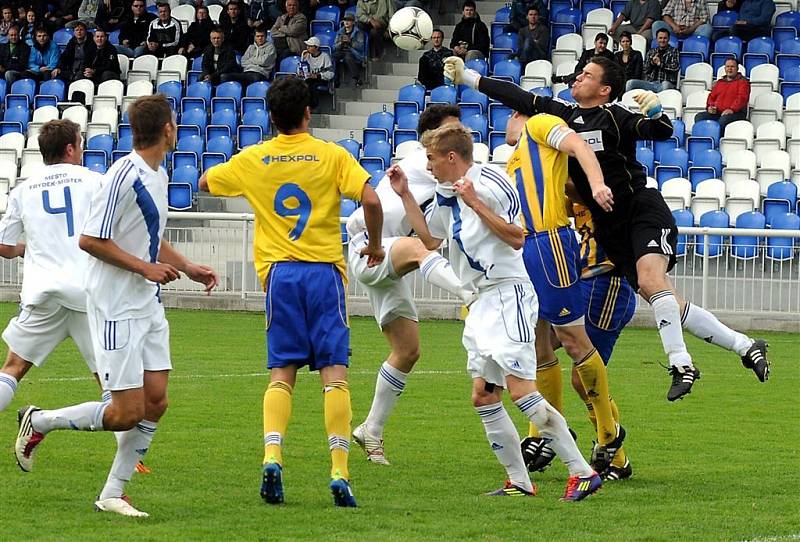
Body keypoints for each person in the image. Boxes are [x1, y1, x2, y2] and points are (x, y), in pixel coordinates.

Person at [444, 54, 771, 400]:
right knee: (669, 303)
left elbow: (657, 131)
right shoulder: (564, 117)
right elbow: (520, 97)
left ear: (604, 89)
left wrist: (658, 112)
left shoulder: (614, 116)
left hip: (640, 211)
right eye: (579, 73)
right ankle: (746, 345)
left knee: (650, 282)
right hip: (609, 230)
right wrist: (468, 78)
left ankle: (681, 363)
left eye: (586, 75)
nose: (577, 78)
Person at [14, 95, 218, 518]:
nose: (176, 127)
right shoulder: (122, 176)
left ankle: (112, 493)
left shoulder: (156, 174)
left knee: (156, 401)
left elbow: (149, 233)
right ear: (167, 129)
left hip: (146, 303)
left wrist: (188, 266)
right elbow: (90, 240)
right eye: (174, 123)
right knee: (126, 413)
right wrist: (146, 268)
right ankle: (41, 421)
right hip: (115, 305)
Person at [391, 122, 602, 501]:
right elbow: (431, 240)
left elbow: (517, 236)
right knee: (484, 395)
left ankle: (582, 472)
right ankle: (519, 482)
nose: (429, 165)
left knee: (522, 392)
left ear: (452, 157)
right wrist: (406, 196)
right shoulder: (444, 192)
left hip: (509, 296)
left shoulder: (490, 181)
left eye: (433, 158)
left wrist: (475, 203)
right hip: (481, 301)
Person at [199, 76, 384, 508]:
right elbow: (372, 201)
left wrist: (250, 173)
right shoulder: (331, 155)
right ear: (308, 113)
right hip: (323, 274)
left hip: (279, 275)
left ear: (271, 117)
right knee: (334, 374)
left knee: (281, 374)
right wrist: (374, 246)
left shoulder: (254, 158)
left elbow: (205, 182)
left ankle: (272, 456)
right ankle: (339, 469)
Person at [495, 101, 628, 478]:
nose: (506, 120)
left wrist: (599, 184)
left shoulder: (540, 124)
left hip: (549, 241)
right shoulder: (516, 158)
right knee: (536, 344)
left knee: (571, 338)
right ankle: (545, 432)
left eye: (509, 112)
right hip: (526, 248)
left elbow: (580, 146)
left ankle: (609, 432)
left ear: (519, 113)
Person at [349, 105, 472, 465]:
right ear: (427, 141)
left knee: (408, 350)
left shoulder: (434, 185)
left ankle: (371, 430)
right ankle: (471, 295)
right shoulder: (423, 162)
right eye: (452, 130)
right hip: (368, 246)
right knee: (416, 250)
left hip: (388, 251)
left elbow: (431, 241)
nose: (462, 139)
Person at [0, 120, 103, 416]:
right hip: (88, 292)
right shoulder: (95, 180)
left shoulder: (24, 189)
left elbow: (4, 247)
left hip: (42, 292)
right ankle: (132, 460)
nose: (82, 148)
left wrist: (25, 249)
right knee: (110, 381)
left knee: (12, 368)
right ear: (70, 148)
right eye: (80, 143)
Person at [694, 57, 749, 133]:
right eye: (727, 67)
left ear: (737, 68)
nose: (729, 69)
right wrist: (710, 107)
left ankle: (716, 140)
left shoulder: (743, 82)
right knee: (700, 117)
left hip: (736, 113)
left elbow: (742, 98)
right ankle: (702, 139)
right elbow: (711, 97)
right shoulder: (720, 82)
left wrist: (732, 109)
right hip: (718, 112)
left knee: (724, 120)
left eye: (732, 67)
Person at [625, 28, 678, 92]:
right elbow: (645, 70)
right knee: (630, 83)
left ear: (668, 39)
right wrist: (652, 63)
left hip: (665, 83)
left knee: (665, 85)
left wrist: (660, 64)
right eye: (660, 38)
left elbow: (675, 67)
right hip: (650, 83)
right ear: (657, 39)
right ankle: (627, 101)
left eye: (665, 38)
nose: (662, 40)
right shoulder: (651, 51)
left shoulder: (674, 51)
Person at [298, 36, 333, 109]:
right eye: (307, 46)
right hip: (309, 79)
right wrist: (301, 68)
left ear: (316, 47)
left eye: (310, 46)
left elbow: (331, 73)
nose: (307, 48)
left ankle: (312, 107)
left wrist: (318, 75)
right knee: (305, 84)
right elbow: (300, 69)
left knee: (313, 86)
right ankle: (304, 106)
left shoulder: (325, 56)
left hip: (322, 79)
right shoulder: (306, 56)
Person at [333, 12, 365, 87]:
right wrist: (340, 43)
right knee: (333, 56)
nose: (346, 22)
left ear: (353, 22)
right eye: (345, 20)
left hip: (354, 52)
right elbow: (334, 46)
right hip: (342, 51)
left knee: (348, 57)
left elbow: (360, 47)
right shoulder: (340, 32)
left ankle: (356, 78)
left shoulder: (358, 32)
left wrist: (350, 41)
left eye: (349, 20)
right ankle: (335, 79)